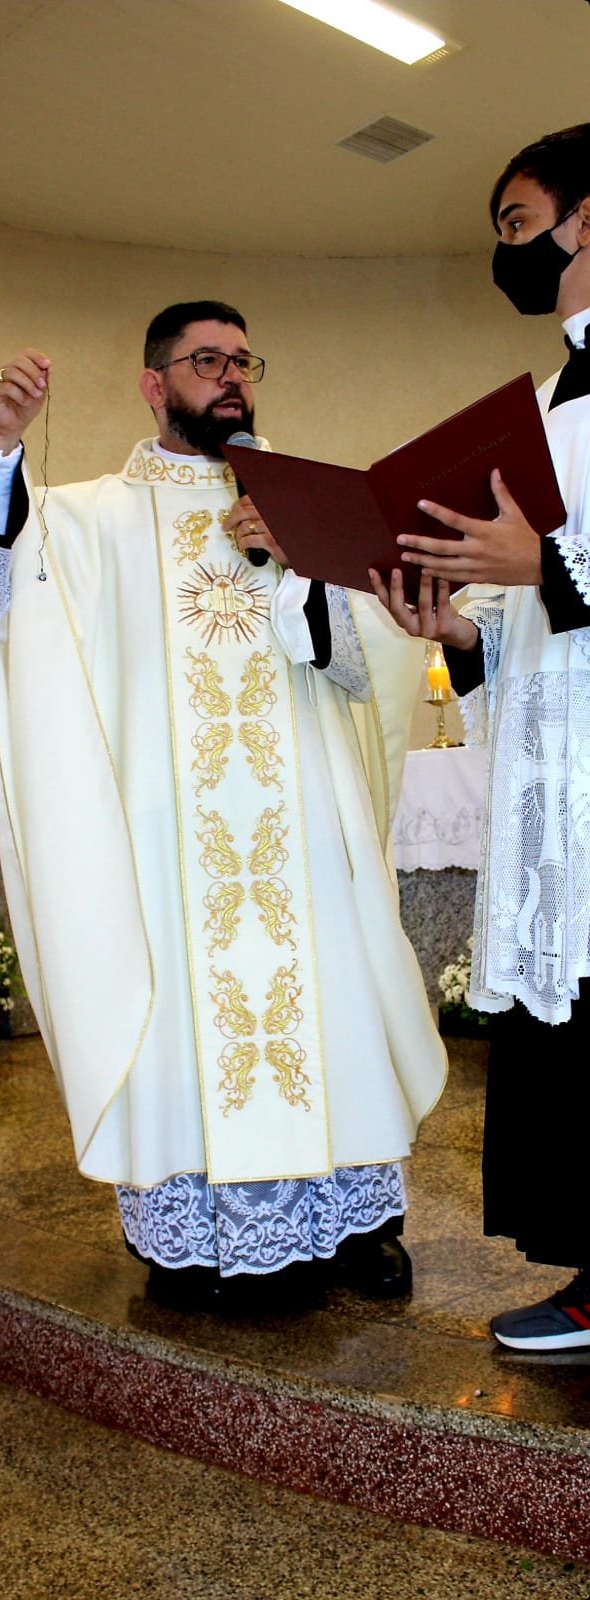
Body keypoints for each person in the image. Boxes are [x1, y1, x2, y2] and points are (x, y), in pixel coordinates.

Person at [0, 299, 446, 1310]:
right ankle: (200, 1236)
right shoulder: (93, 516)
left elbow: (369, 667)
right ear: (154, 383)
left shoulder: (301, 500)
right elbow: (8, 592)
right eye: (206, 361)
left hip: (304, 836)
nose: (231, 379)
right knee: (185, 1017)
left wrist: (297, 563)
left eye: (243, 362)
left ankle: (357, 1222)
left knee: (336, 1004)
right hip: (175, 845)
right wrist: (1, 453)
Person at [369, 127, 590, 1352]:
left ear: (587, 219)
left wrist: (544, 565)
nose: (506, 250)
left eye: (517, 223)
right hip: (563, 775)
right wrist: (458, 629)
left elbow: (556, 573)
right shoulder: (551, 405)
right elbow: (526, 629)